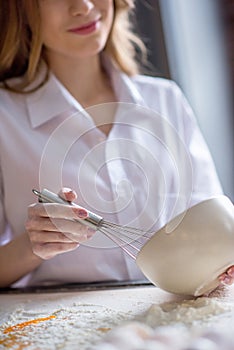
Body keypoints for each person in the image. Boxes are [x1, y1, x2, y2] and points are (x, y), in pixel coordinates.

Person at [0, 0, 233, 289]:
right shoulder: (4, 118)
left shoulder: (166, 100)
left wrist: (221, 262)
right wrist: (33, 246)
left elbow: (214, 225)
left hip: (168, 314)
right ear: (20, 10)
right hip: (58, 321)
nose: (83, 7)